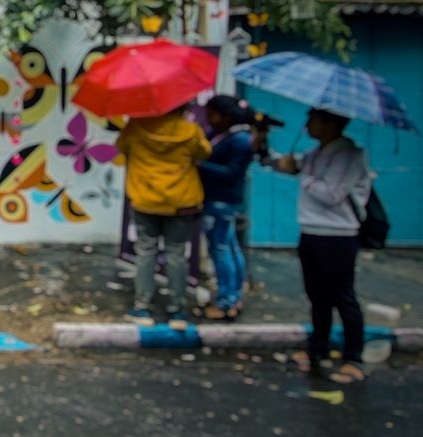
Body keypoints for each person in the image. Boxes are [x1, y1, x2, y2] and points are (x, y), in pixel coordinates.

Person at [266, 108, 371, 383]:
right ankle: (318, 350)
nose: (307, 125)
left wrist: (301, 174)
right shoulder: (316, 153)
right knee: (317, 297)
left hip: (338, 235)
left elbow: (333, 194)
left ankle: (353, 358)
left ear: (330, 123)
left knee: (342, 296)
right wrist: (264, 148)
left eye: (313, 119)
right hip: (310, 232)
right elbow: (282, 164)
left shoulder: (350, 154)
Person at [117, 105, 212, 330]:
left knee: (145, 253)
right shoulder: (190, 130)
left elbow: (121, 147)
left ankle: (142, 308)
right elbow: (205, 153)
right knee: (176, 254)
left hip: (145, 199)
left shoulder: (136, 127)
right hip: (181, 201)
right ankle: (177, 311)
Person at [197, 96, 280, 320]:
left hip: (222, 201)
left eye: (212, 115)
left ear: (225, 115)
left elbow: (231, 173)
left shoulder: (239, 140)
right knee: (229, 248)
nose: (209, 119)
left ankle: (227, 301)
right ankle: (232, 296)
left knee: (222, 250)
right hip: (220, 200)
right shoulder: (228, 135)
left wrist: (198, 165)